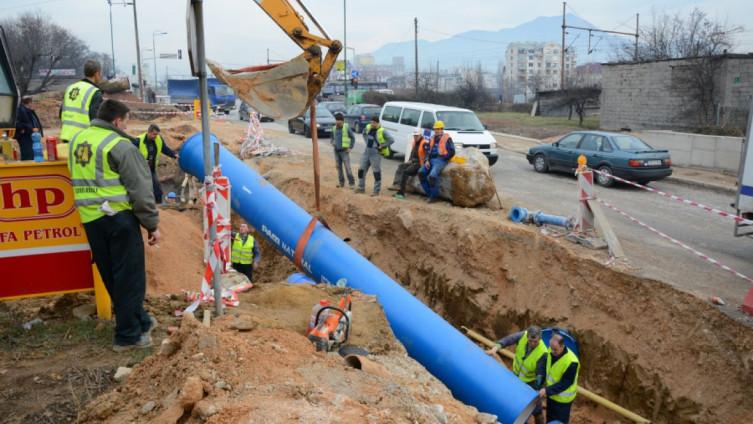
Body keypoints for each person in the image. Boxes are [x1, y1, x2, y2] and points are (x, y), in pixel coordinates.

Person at [68, 99, 160, 352]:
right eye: (127, 121)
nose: (127, 126)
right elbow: (141, 190)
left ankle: (140, 321)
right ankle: (128, 336)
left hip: (90, 219)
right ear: (118, 120)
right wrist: (151, 224)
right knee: (129, 278)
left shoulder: (77, 140)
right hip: (118, 218)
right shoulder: (120, 145)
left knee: (112, 275)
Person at [486, 326, 547, 424]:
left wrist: (536, 389)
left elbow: (540, 375)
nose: (532, 344)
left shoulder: (542, 352)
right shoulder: (523, 336)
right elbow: (508, 340)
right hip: (515, 377)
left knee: (536, 408)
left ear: (540, 338)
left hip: (529, 382)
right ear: (527, 336)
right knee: (517, 407)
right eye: (530, 341)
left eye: (535, 342)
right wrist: (495, 349)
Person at [540, 332, 580, 424]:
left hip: (563, 401)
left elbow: (565, 383)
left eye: (555, 350)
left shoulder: (572, 362)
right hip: (551, 396)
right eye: (551, 348)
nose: (552, 351)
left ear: (562, 346)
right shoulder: (551, 350)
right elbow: (546, 366)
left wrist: (546, 390)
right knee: (550, 419)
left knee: (559, 422)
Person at [60, 59, 103, 143]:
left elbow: (61, 112)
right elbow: (95, 119)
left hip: (67, 137)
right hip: (84, 139)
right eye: (100, 73)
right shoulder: (94, 92)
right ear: (97, 74)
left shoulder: (70, 88)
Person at [134, 124, 178, 204]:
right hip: (140, 170)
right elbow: (131, 155)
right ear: (149, 132)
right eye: (154, 134)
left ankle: (159, 207)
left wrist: (174, 155)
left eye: (157, 134)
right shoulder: (138, 141)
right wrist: (141, 161)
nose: (156, 136)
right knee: (147, 189)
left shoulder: (158, 139)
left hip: (151, 169)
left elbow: (164, 149)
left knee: (157, 190)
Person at [355, 116, 393, 196]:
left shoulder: (382, 131)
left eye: (374, 123)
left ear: (378, 123)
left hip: (375, 154)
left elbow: (391, 140)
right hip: (366, 152)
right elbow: (364, 133)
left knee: (376, 172)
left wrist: (382, 146)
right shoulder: (368, 127)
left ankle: (376, 191)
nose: (372, 124)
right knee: (361, 170)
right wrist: (367, 142)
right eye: (371, 122)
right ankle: (361, 188)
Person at [418, 120, 455, 203]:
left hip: (441, 160)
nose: (436, 131)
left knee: (432, 176)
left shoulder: (447, 139)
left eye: (438, 129)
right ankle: (430, 194)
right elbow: (427, 151)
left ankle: (434, 196)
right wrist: (426, 160)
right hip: (431, 160)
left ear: (442, 129)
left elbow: (452, 151)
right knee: (421, 172)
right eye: (435, 129)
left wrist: (445, 158)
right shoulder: (432, 139)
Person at [390, 130, 426, 200]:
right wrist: (410, 160)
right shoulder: (415, 142)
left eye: (417, 136)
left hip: (419, 164)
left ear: (421, 135)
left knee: (405, 172)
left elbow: (427, 155)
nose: (415, 137)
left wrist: (422, 163)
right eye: (414, 136)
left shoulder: (424, 143)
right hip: (413, 162)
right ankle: (396, 184)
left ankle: (401, 193)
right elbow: (412, 153)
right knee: (401, 166)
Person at [331, 112, 356, 188]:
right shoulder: (334, 128)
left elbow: (353, 137)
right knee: (338, 167)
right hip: (336, 151)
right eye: (336, 120)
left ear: (342, 121)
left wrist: (350, 147)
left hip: (344, 151)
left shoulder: (346, 128)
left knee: (347, 167)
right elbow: (331, 137)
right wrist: (332, 142)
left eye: (339, 120)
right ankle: (341, 183)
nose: (337, 121)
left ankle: (352, 183)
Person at [15, 96, 43, 160]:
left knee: (30, 153)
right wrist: (25, 129)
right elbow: (17, 123)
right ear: (29, 102)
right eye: (31, 102)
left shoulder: (28, 110)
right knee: (27, 153)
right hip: (24, 136)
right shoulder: (21, 110)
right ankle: (26, 167)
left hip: (30, 135)